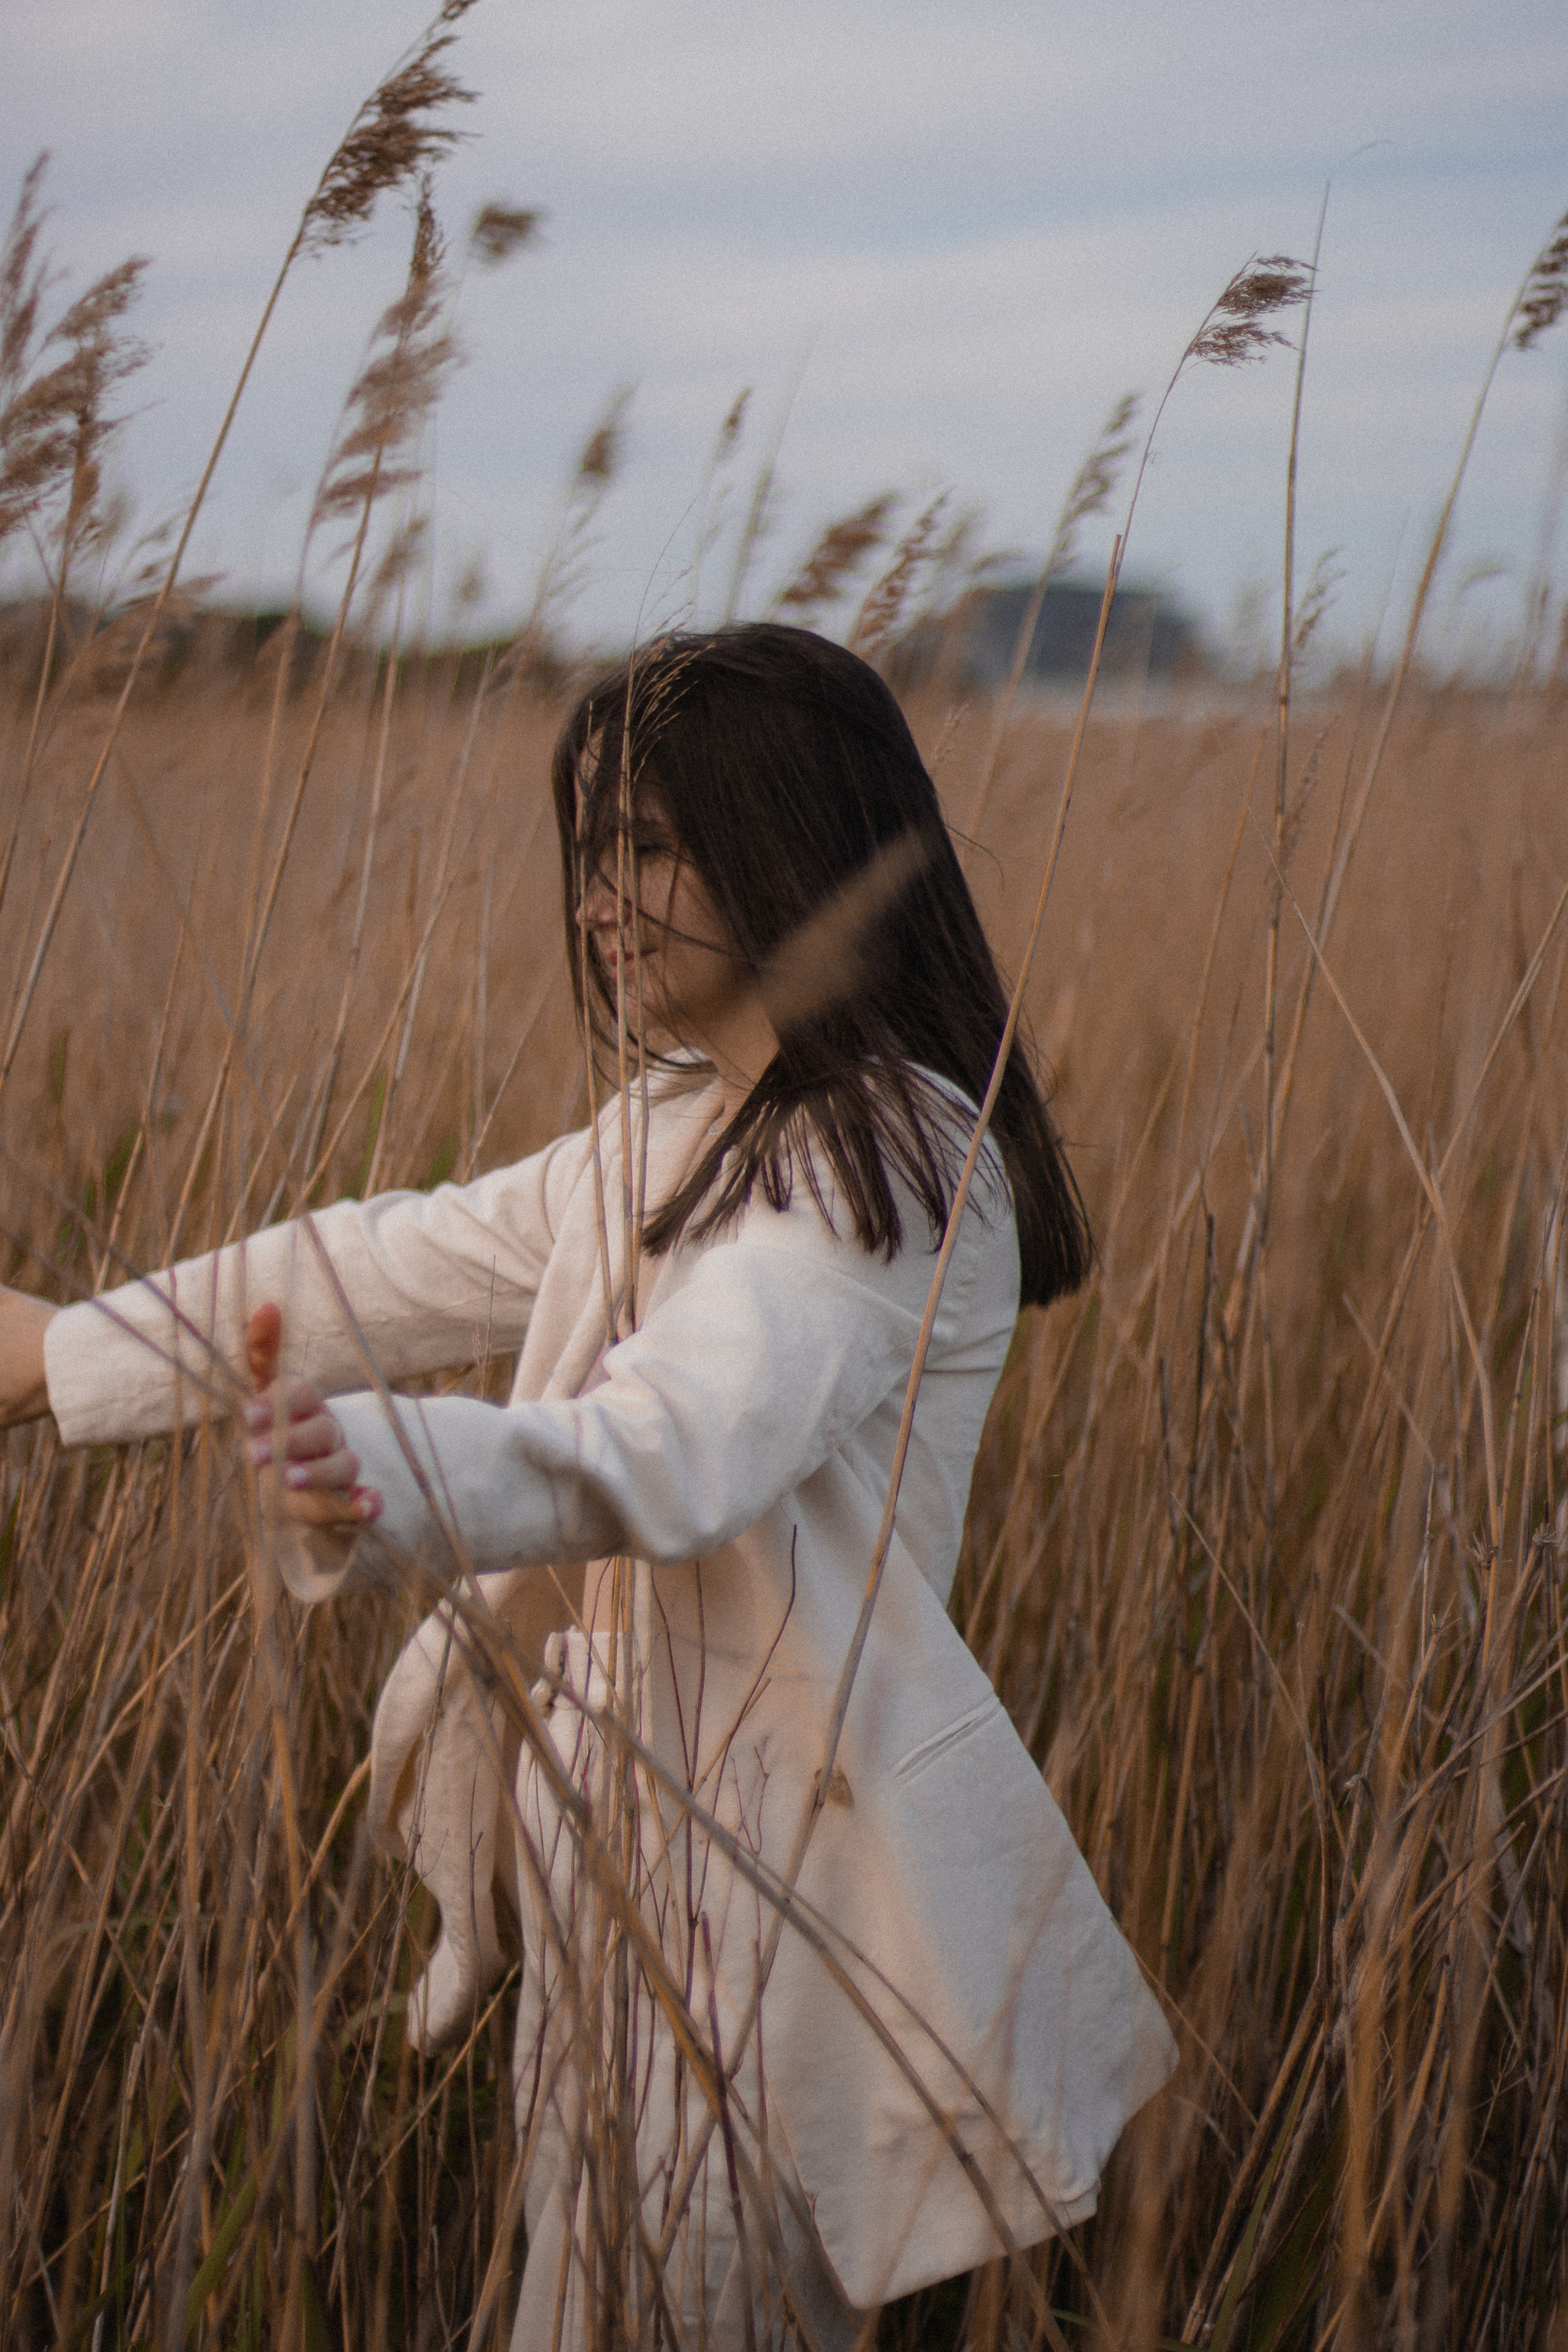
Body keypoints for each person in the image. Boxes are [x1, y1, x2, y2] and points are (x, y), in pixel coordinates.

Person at [0, 625, 1175, 2348]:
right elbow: (381, 1264)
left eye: (649, 842)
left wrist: (384, 1473)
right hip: (618, 1856)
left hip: (774, 1895)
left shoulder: (902, 1152)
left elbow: (667, 1447)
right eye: (591, 847)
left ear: (790, 839)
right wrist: (62, 1360)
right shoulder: (671, 1128)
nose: (602, 897)